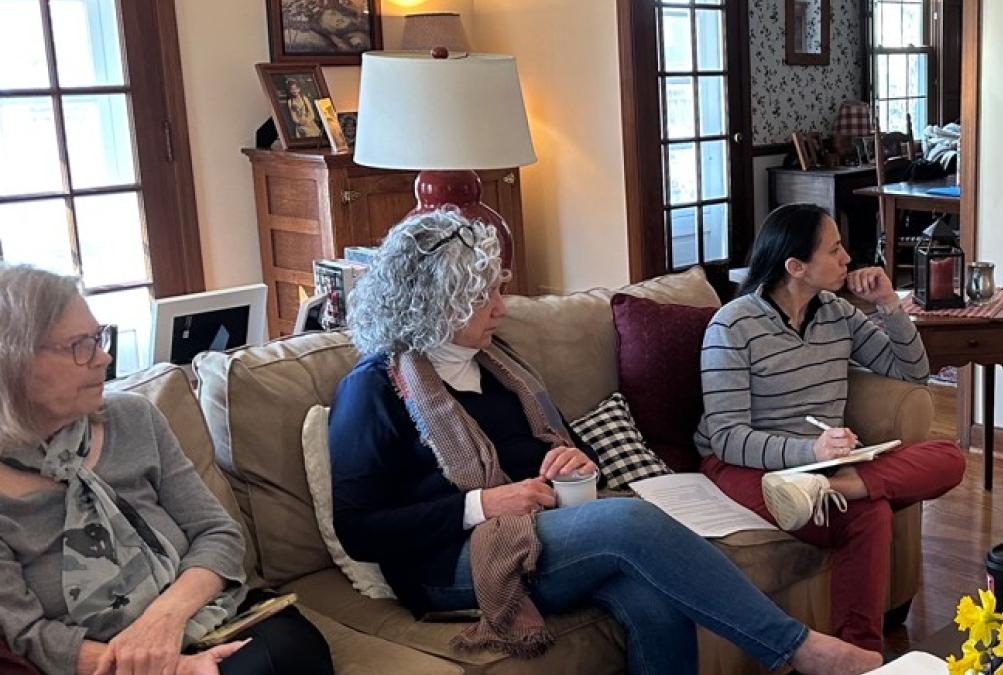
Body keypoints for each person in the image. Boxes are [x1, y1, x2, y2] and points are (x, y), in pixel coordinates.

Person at [327, 210, 878, 675]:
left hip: (536, 533)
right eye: (483, 296)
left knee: (655, 596)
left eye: (497, 288)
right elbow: (359, 529)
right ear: (435, 303)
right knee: (628, 523)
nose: (502, 306)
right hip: (446, 567)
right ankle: (797, 648)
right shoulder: (374, 390)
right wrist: (482, 504)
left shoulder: (498, 366)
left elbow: (546, 449)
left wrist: (567, 461)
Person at [0, 264, 333, 675]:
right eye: (79, 345)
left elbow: (218, 533)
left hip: (214, 618)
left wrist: (163, 621)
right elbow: (25, 634)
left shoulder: (133, 418)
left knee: (287, 654)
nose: (103, 356)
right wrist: (166, 665)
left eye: (99, 337)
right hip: (105, 664)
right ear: (13, 360)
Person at [697, 203, 966, 650]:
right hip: (747, 467)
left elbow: (913, 373)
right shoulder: (732, 325)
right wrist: (811, 454)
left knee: (949, 457)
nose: (848, 259)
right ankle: (860, 654)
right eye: (835, 249)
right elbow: (727, 438)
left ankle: (841, 489)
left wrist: (888, 305)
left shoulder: (837, 314)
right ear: (796, 266)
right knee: (871, 513)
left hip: (827, 468)